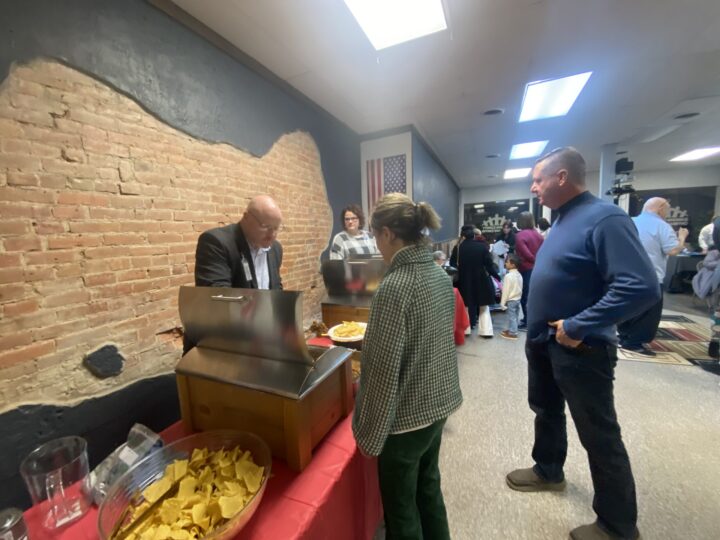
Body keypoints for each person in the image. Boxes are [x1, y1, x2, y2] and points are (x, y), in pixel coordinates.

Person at [506, 147, 659, 540]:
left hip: (580, 346)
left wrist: (578, 324)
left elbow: (640, 286)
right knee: (545, 409)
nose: (533, 187)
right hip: (543, 339)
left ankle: (616, 523)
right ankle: (548, 469)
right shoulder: (560, 221)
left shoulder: (605, 217)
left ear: (561, 177)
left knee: (599, 433)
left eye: (538, 179)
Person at [352, 193, 463, 540]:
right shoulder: (439, 275)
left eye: (374, 236)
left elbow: (381, 373)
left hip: (406, 423)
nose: (376, 244)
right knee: (429, 489)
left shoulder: (395, 287)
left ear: (387, 234)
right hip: (438, 403)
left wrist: (367, 434)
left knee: (401, 512)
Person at [618, 197, 689, 355]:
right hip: (650, 276)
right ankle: (634, 343)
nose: (667, 213)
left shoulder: (628, 221)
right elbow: (672, 250)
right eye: (667, 210)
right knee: (648, 312)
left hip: (624, 274)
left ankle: (623, 336)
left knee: (627, 307)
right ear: (660, 209)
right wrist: (682, 237)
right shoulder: (662, 226)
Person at [195, 194, 283, 289]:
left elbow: (276, 288)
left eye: (276, 228)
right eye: (265, 226)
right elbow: (218, 296)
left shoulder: (275, 249)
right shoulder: (216, 243)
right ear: (246, 217)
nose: (271, 235)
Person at [450, 225, 500, 338]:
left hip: (463, 280)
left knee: (465, 306)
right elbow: (489, 265)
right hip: (481, 279)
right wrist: (497, 276)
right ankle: (486, 331)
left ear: (462, 235)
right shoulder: (482, 247)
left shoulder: (457, 248)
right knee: (483, 306)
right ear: (474, 235)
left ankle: (466, 330)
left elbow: (453, 265)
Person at [515, 211, 544, 330]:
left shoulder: (520, 235)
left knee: (525, 296)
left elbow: (526, 254)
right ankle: (535, 320)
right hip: (539, 268)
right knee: (535, 296)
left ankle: (527, 321)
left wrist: (534, 260)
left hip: (526, 269)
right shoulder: (538, 234)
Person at [500, 254, 523, 340]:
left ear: (513, 265)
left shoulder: (508, 276)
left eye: (507, 262)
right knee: (515, 316)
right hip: (517, 299)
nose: (505, 263)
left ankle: (513, 333)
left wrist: (502, 303)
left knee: (511, 316)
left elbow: (505, 291)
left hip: (511, 300)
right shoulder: (519, 275)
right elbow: (521, 287)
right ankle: (512, 329)